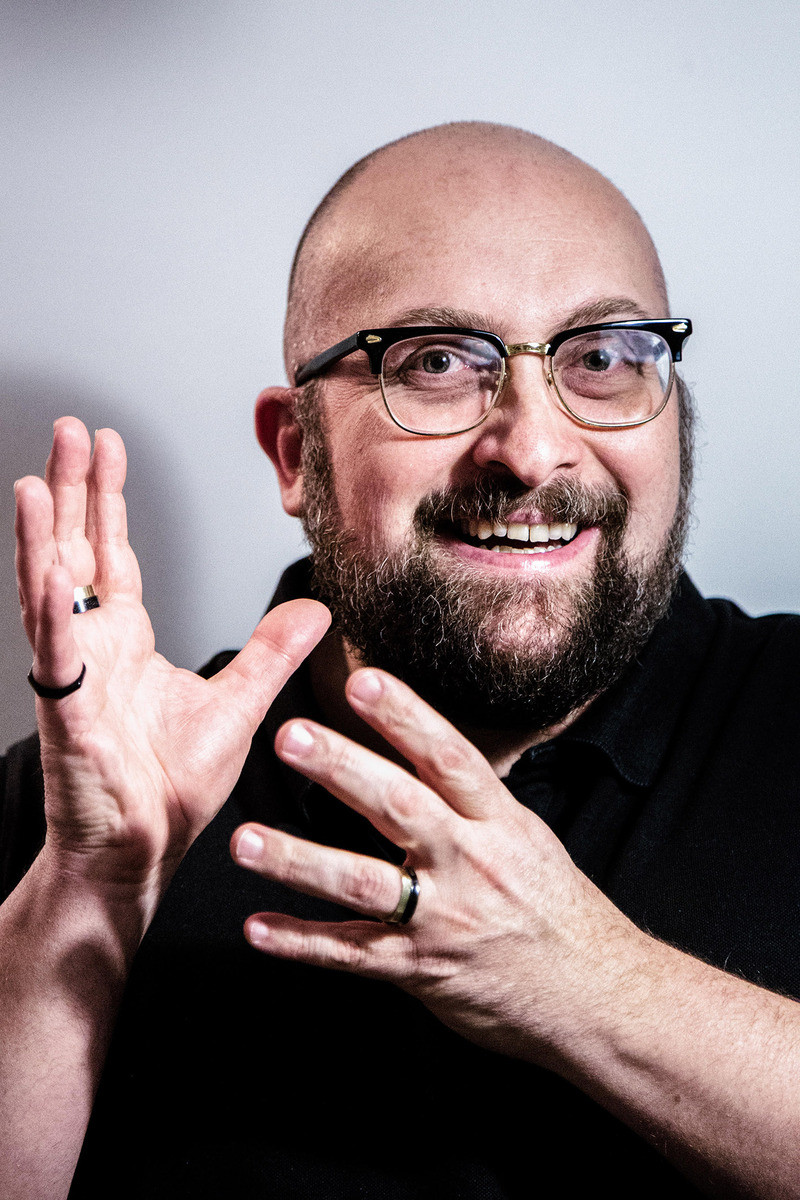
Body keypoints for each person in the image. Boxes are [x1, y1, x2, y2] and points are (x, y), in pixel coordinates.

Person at [2, 121, 800, 1199]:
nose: (531, 450)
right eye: (436, 363)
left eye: (602, 358)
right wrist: (89, 888)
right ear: (297, 452)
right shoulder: (80, 813)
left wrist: (585, 980)